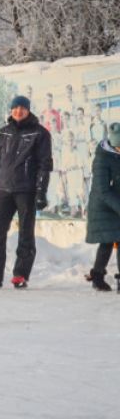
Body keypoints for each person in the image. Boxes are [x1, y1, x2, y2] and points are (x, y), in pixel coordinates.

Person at [0, 96, 53, 289]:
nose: (19, 111)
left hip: (26, 191)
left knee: (26, 233)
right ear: (11, 110)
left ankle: (21, 274)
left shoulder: (40, 133)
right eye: (15, 108)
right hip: (4, 190)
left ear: (28, 110)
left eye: (22, 108)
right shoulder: (3, 133)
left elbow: (45, 165)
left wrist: (41, 192)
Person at [83, 122, 120, 292]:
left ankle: (98, 276)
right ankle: (97, 277)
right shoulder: (102, 159)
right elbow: (103, 191)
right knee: (107, 242)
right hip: (104, 206)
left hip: (116, 203)